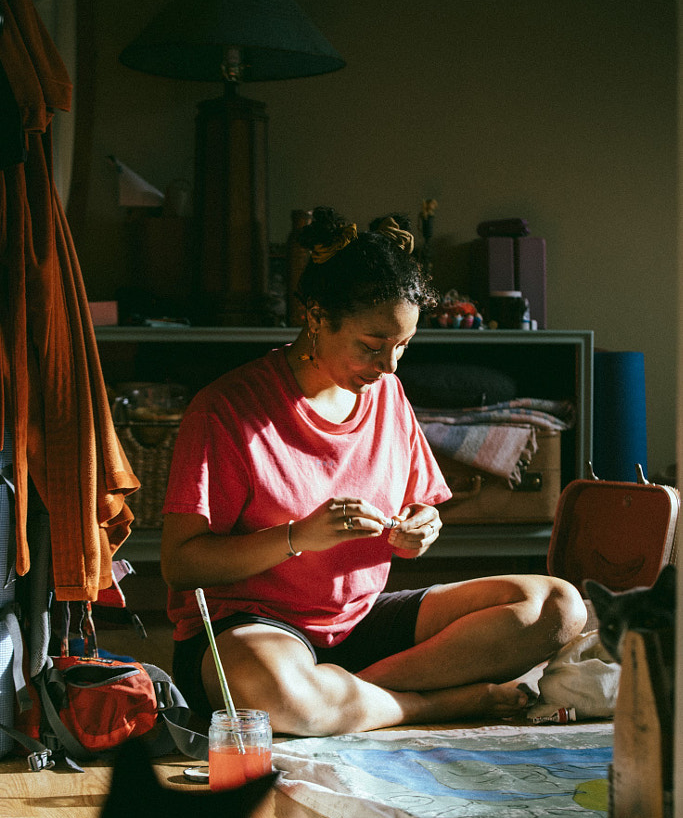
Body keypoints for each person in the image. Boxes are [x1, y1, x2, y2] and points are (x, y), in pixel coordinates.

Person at [160, 207, 586, 736]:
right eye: (372, 345)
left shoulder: (388, 394)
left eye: (403, 346)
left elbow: (422, 505)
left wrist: (421, 526)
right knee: (269, 688)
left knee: (556, 605)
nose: (389, 366)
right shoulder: (226, 409)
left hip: (359, 622)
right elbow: (181, 565)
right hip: (254, 628)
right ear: (316, 318)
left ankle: (347, 697)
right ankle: (430, 705)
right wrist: (297, 537)